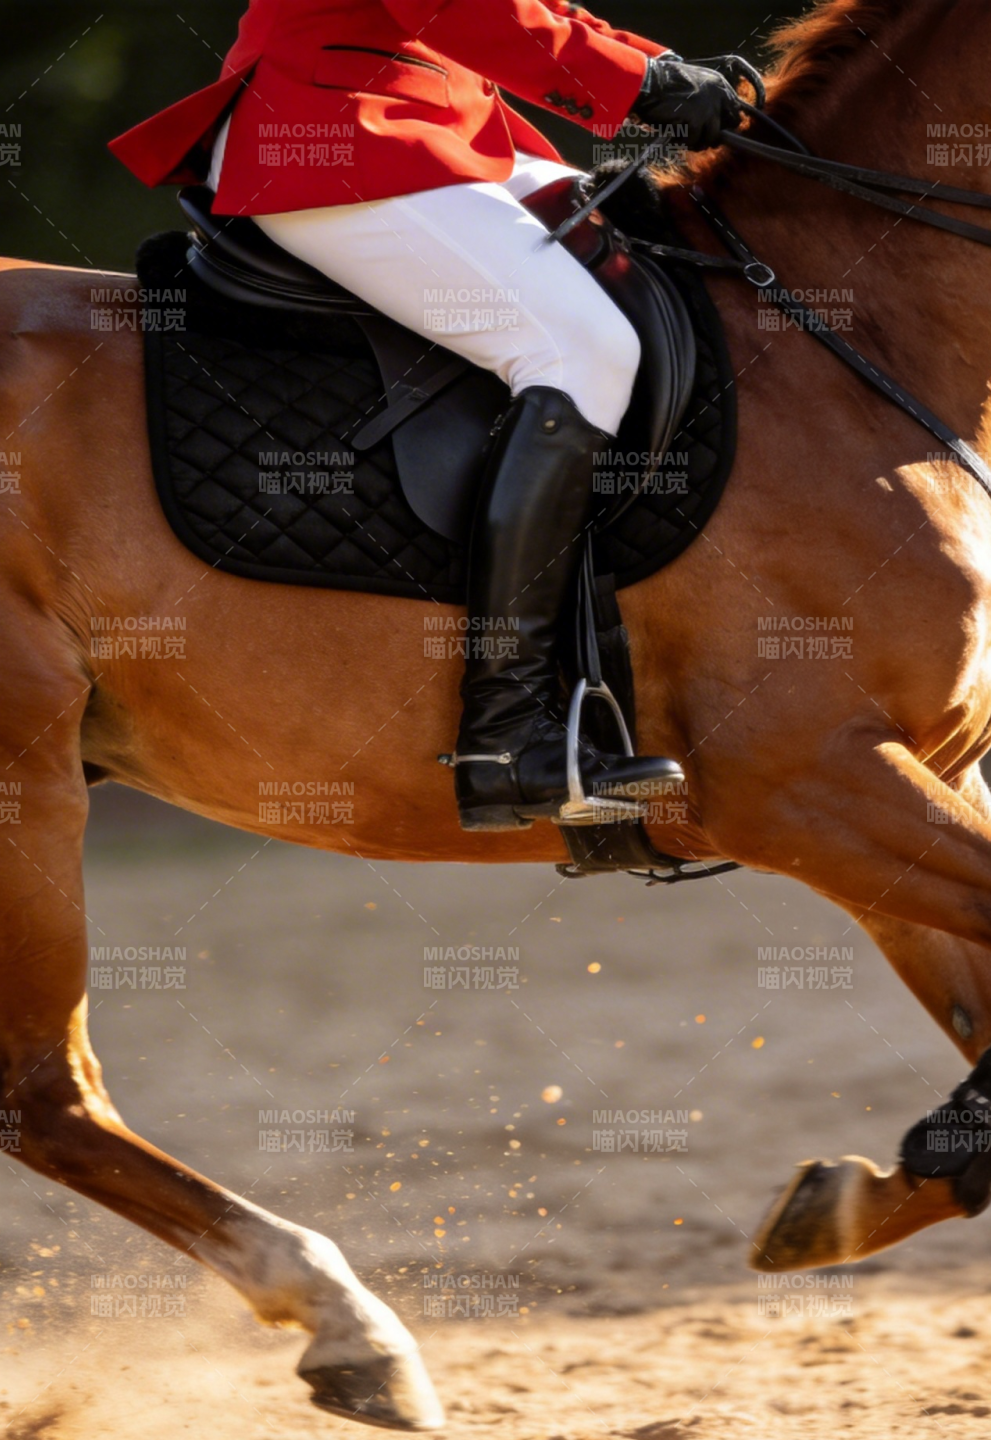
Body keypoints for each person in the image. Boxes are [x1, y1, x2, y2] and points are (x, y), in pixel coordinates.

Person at [111, 0, 739, 831]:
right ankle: (508, 733)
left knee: (653, 260)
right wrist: (642, 82)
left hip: (447, 123)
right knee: (579, 348)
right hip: (339, 126)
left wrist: (654, 64)